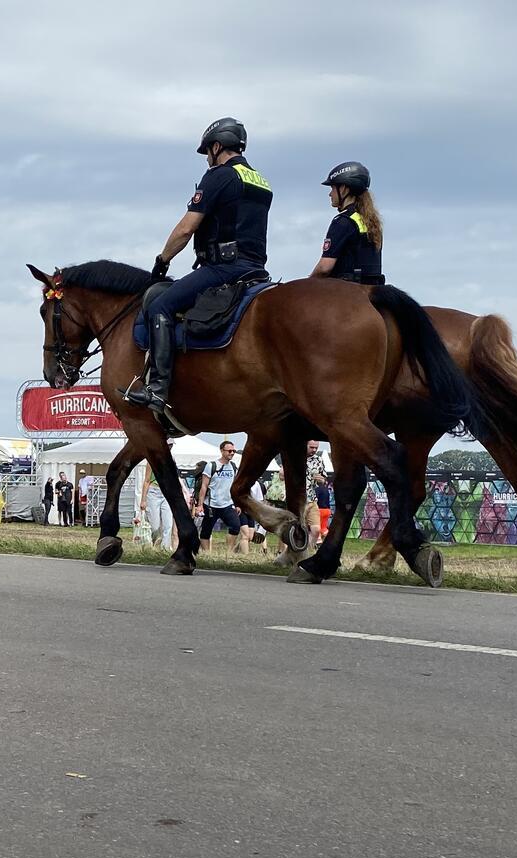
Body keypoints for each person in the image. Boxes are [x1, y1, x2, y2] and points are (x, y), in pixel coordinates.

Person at [124, 117, 272, 412]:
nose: (207, 158)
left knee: (160, 306)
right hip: (256, 269)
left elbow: (186, 229)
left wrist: (162, 260)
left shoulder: (219, 176)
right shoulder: (260, 180)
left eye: (207, 151)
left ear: (217, 147)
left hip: (223, 268)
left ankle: (158, 388)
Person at [308, 161, 383, 285]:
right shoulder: (371, 222)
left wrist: (308, 283)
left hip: (347, 290)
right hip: (374, 290)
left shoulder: (343, 221)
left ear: (343, 189)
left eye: (332, 188)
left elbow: (324, 268)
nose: (330, 194)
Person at [192, 440, 243, 554]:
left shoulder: (233, 467)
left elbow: (235, 487)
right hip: (211, 504)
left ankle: (229, 552)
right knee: (206, 531)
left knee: (235, 526)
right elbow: (204, 486)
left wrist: (237, 504)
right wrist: (200, 505)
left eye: (233, 451)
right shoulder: (212, 465)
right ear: (222, 451)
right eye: (229, 451)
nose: (232, 453)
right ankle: (206, 554)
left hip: (227, 504)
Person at [139, 466, 176, 550]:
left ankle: (165, 549)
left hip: (167, 493)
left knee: (168, 525)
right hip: (153, 492)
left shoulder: (169, 459)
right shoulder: (151, 460)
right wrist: (143, 500)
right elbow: (147, 480)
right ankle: (153, 543)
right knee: (155, 526)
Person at [303, 441, 330, 545]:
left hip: (312, 499)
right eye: (311, 447)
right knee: (298, 529)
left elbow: (324, 478)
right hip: (297, 500)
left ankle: (308, 552)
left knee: (316, 530)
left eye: (316, 448)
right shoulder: (295, 457)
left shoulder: (318, 460)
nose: (314, 450)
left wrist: (322, 480)